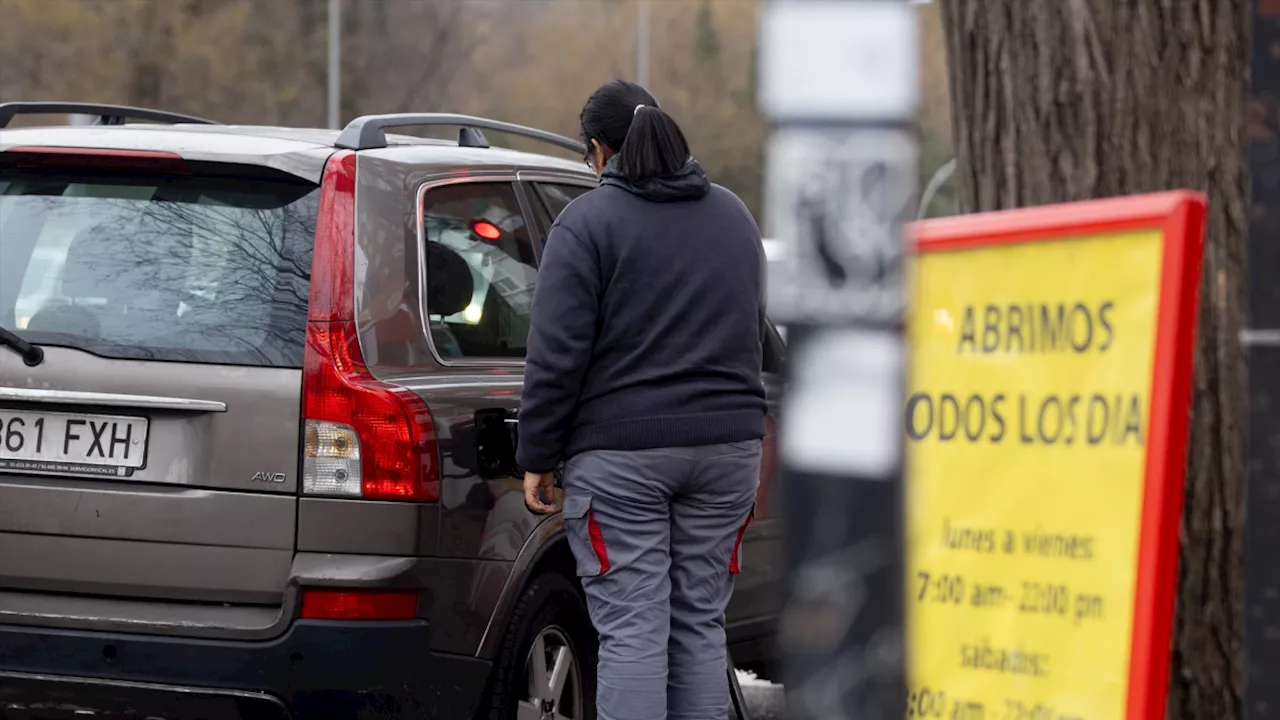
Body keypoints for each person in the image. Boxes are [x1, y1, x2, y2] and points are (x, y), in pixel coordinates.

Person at [519, 78, 767, 720]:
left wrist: (539, 455)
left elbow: (556, 356)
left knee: (633, 633)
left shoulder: (586, 224)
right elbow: (754, 331)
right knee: (698, 627)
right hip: (728, 453)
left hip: (623, 458)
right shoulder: (734, 215)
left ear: (600, 152)